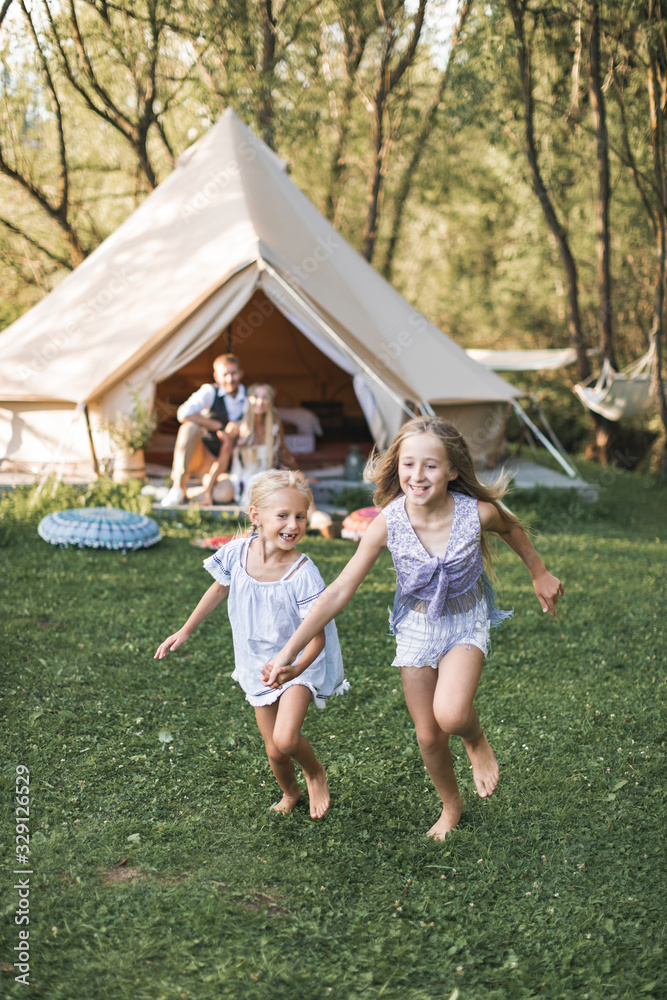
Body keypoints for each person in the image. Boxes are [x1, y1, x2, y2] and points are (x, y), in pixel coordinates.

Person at [262, 416, 564, 840]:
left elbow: (512, 529)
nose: (416, 476)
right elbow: (339, 589)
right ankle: (451, 805)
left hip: (464, 621)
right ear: (396, 467)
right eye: (407, 464)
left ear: (453, 470)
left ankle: (476, 741)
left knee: (452, 714)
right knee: (428, 736)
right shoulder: (388, 522)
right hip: (417, 628)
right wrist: (287, 652)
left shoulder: (477, 513)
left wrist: (540, 573)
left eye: (430, 466)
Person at [154, 469, 348, 819]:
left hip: (300, 664)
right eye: (283, 516)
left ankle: (314, 771)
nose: (293, 525)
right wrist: (185, 630)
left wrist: (294, 669)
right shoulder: (236, 553)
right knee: (274, 750)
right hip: (255, 663)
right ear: (256, 517)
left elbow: (317, 636)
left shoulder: (303, 573)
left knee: (287, 739)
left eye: (300, 516)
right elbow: (219, 587)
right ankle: (290, 793)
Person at [160, 354, 246, 507]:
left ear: (241, 373)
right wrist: (214, 424)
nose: (229, 379)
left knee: (225, 494)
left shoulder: (248, 398)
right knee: (189, 427)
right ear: (216, 376)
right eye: (225, 374)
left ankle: (191, 494)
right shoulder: (209, 392)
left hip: (226, 464)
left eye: (233, 373)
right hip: (203, 456)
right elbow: (182, 413)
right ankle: (178, 486)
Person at [199, 383, 298, 507]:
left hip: (265, 476)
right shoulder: (236, 428)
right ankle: (207, 484)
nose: (260, 401)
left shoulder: (274, 425)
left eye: (265, 397)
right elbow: (223, 459)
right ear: (248, 399)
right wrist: (208, 492)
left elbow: (284, 451)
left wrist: (297, 473)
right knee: (223, 495)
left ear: (270, 402)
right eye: (255, 397)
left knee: (295, 480)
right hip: (240, 477)